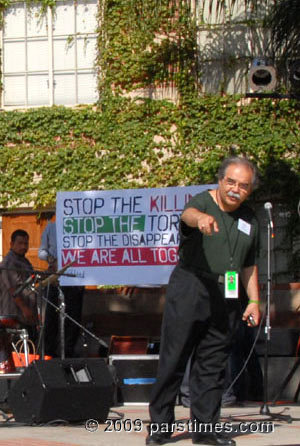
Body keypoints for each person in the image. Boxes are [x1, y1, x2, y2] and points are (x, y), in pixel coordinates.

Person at [147, 156, 261, 446]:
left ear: (250, 190)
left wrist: (254, 301)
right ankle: (160, 426)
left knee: (212, 364)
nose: (236, 189)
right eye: (231, 182)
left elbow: (248, 264)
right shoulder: (203, 201)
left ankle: (205, 429)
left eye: (243, 185)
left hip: (229, 292)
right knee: (174, 359)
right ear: (221, 180)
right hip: (191, 286)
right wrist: (201, 220)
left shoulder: (250, 219)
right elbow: (188, 215)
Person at [38, 215, 84, 358]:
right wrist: (51, 259)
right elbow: (41, 252)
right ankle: (50, 351)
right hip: (55, 277)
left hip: (74, 277)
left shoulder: (80, 226)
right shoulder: (51, 227)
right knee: (51, 315)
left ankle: (68, 349)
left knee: (73, 315)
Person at [0, 230, 38, 373]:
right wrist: (25, 308)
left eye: (26, 243)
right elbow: (13, 289)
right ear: (11, 244)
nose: (23, 246)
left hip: (27, 312)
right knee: (14, 348)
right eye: (20, 243)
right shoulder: (9, 262)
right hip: (13, 312)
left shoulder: (25, 262)